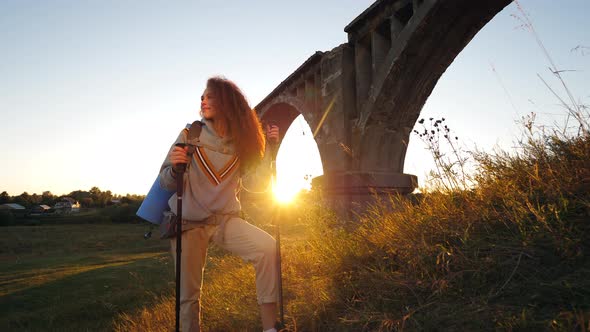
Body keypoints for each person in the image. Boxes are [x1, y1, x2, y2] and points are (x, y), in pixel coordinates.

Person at [158, 76, 281, 332]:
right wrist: (176, 168)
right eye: (202, 96)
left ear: (227, 102)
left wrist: (270, 151)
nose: (203, 100)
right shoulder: (189, 134)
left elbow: (256, 186)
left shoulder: (242, 141)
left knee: (268, 248)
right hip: (188, 222)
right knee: (189, 296)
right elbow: (166, 182)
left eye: (210, 96)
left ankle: (271, 328)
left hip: (225, 220)